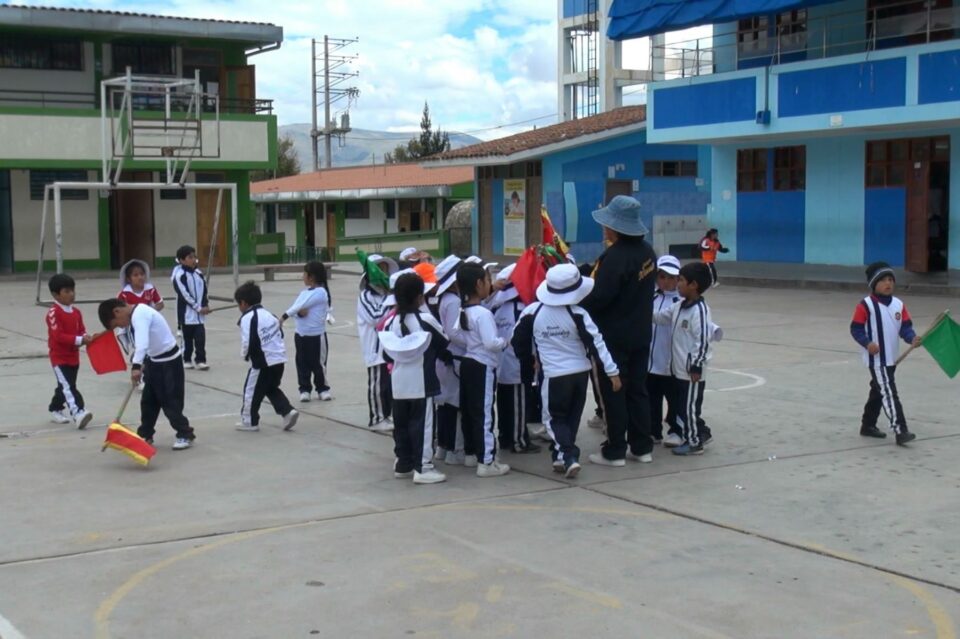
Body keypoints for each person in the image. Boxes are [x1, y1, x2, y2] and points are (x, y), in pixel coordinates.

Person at [513, 264, 621, 478]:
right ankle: (560, 457)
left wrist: (529, 359)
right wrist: (612, 372)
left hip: (553, 376)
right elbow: (597, 343)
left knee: (553, 419)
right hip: (580, 375)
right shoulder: (578, 313)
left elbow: (517, 340)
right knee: (571, 418)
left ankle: (569, 456)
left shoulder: (532, 312)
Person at [581, 195, 657, 467]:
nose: (604, 228)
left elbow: (600, 297)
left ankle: (614, 450)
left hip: (613, 336)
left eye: (607, 224)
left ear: (616, 227)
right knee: (638, 390)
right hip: (641, 333)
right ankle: (642, 447)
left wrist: (577, 303)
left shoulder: (615, 257)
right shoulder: (647, 252)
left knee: (614, 390)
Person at [379, 272, 452, 485]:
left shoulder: (390, 322)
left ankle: (404, 463)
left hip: (398, 382)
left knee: (401, 425)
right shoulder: (425, 319)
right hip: (422, 382)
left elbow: (385, 354)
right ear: (420, 297)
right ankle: (423, 467)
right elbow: (443, 341)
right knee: (423, 425)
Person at [98, 298, 196, 450]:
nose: (121, 327)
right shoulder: (136, 314)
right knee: (148, 401)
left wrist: (136, 367)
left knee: (170, 401)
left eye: (117, 324)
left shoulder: (140, 314)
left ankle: (185, 433)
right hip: (154, 361)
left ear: (117, 311)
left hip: (169, 362)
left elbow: (142, 343)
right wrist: (143, 362)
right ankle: (145, 433)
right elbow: (147, 345)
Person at [849, 262, 920, 445]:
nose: (888, 283)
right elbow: (856, 329)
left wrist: (912, 338)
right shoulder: (865, 305)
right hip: (877, 359)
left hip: (892, 357)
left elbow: (905, 327)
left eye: (890, 279)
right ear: (874, 284)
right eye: (882, 280)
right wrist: (867, 343)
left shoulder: (899, 305)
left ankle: (868, 425)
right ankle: (900, 430)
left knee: (878, 390)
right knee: (889, 392)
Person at [455, 262, 510, 477]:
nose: (490, 284)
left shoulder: (464, 310)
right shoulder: (483, 314)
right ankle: (487, 461)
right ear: (479, 284)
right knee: (484, 412)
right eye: (488, 280)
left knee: (469, 410)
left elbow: (457, 335)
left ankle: (471, 453)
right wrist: (506, 341)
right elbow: (491, 343)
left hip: (468, 361)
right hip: (483, 365)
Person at [653, 262, 714, 456]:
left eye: (680, 280)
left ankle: (695, 442)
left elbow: (702, 340)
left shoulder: (700, 311)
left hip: (691, 373)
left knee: (690, 409)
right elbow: (660, 317)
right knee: (681, 407)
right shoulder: (679, 306)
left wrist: (697, 366)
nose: (677, 284)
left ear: (693, 285)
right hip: (678, 370)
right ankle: (689, 436)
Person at [489, 264, 540, 454]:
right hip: (518, 364)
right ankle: (519, 441)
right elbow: (529, 339)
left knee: (504, 403)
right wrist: (535, 357)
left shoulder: (497, 307)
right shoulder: (523, 310)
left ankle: (505, 437)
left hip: (501, 364)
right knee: (518, 404)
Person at [235, 281, 299, 433]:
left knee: (250, 391)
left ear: (243, 303)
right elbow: (280, 334)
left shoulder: (247, 318)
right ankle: (287, 411)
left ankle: (249, 421)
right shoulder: (271, 315)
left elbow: (247, 340)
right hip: (279, 360)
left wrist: (245, 355)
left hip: (263, 362)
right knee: (269, 387)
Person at [432, 255, 472, 465]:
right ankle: (456, 450)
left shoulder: (445, 299)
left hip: (446, 358)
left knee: (445, 405)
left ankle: (443, 446)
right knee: (456, 406)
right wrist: (474, 342)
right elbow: (453, 332)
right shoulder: (455, 301)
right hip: (455, 358)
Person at [46, 274, 94, 429]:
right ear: (55, 295)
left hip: (73, 356)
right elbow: (58, 336)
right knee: (68, 386)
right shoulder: (53, 313)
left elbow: (81, 330)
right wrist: (80, 340)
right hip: (59, 357)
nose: (72, 294)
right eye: (67, 291)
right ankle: (78, 412)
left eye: (73, 290)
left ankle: (55, 408)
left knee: (66, 385)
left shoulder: (76, 312)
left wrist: (85, 336)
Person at [357, 253, 397, 431]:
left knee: (389, 386)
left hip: (390, 348)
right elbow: (375, 318)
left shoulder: (387, 295)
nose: (383, 273)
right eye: (379, 270)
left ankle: (388, 415)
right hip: (375, 348)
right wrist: (392, 305)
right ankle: (377, 418)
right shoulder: (365, 296)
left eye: (385, 270)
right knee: (378, 384)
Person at [282, 261, 332, 403]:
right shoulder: (303, 293)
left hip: (317, 336)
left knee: (319, 364)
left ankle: (322, 389)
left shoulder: (321, 292)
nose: (302, 276)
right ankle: (304, 389)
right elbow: (297, 308)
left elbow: (299, 306)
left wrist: (284, 317)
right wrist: (299, 313)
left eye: (304, 273)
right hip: (301, 334)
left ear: (312, 277)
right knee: (302, 362)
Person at [648, 255, 684, 447]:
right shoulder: (650, 297)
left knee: (675, 399)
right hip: (651, 359)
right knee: (651, 398)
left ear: (679, 279)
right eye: (662, 276)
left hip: (672, 362)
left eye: (671, 277)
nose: (666, 281)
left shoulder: (682, 301)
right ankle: (653, 431)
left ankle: (677, 430)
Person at [172, 245, 210, 370]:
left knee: (200, 339)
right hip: (186, 315)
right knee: (187, 340)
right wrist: (197, 307)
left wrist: (205, 304)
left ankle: (200, 360)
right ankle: (186, 359)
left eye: (194, 257)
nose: (193, 260)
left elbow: (204, 291)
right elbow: (185, 295)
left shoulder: (199, 274)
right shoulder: (179, 275)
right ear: (181, 260)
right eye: (190, 257)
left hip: (199, 317)